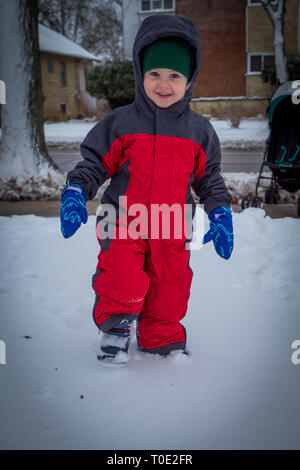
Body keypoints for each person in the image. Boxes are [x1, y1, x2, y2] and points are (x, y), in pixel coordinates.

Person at [60, 15, 234, 366]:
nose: (164, 83)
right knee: (121, 275)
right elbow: (95, 162)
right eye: (154, 73)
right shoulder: (121, 123)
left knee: (171, 286)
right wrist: (77, 189)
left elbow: (209, 178)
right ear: (141, 74)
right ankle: (116, 328)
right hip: (122, 220)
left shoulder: (199, 131)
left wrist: (220, 211)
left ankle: (160, 335)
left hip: (172, 226)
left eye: (174, 75)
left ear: (189, 80)